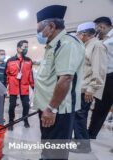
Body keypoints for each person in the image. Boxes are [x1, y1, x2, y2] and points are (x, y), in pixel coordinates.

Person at [34, 5, 85, 159]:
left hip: (58, 110)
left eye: (39, 30)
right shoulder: (52, 45)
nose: (38, 34)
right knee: (48, 144)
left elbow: (65, 79)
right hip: (47, 107)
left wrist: (51, 109)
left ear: (51, 26)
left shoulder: (67, 44)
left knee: (56, 151)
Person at [71, 22, 107, 153]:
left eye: (78, 34)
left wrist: (92, 88)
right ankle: (79, 141)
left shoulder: (97, 46)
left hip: (86, 89)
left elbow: (99, 70)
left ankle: (83, 146)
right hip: (80, 87)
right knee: (78, 116)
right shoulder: (86, 45)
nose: (77, 36)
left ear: (84, 34)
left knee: (80, 116)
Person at [88, 17, 113, 139]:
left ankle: (91, 134)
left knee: (102, 107)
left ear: (105, 26)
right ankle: (91, 134)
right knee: (100, 107)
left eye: (99, 26)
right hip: (104, 76)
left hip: (111, 75)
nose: (97, 29)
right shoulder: (99, 38)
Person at [5, 40, 34, 129]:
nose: (26, 49)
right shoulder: (10, 61)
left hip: (24, 86)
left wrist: (32, 86)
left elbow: (30, 74)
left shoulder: (29, 61)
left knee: (26, 105)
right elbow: (6, 74)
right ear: (18, 48)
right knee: (12, 105)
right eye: (25, 47)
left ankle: (25, 119)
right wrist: (5, 86)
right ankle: (11, 121)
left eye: (27, 47)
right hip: (13, 87)